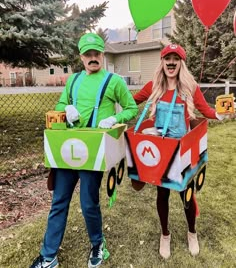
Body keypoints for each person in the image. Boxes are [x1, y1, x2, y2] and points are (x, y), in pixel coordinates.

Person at [30, 33, 138, 268]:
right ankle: (48, 256)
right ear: (81, 57)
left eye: (96, 53)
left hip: (94, 153)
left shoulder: (114, 81)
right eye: (88, 54)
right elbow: (59, 105)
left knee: (89, 203)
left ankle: (98, 244)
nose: (92, 58)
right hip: (68, 150)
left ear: (103, 54)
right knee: (59, 201)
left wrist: (114, 118)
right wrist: (66, 107)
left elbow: (131, 108)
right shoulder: (73, 81)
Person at [133, 44, 227, 259]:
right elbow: (130, 102)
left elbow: (206, 110)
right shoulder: (153, 87)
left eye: (176, 58)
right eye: (168, 58)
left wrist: (221, 114)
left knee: (186, 193)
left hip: (183, 152)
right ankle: (165, 235)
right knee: (162, 194)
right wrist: (113, 101)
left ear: (181, 63)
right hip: (161, 151)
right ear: (162, 62)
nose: (171, 62)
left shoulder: (189, 88)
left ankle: (191, 232)